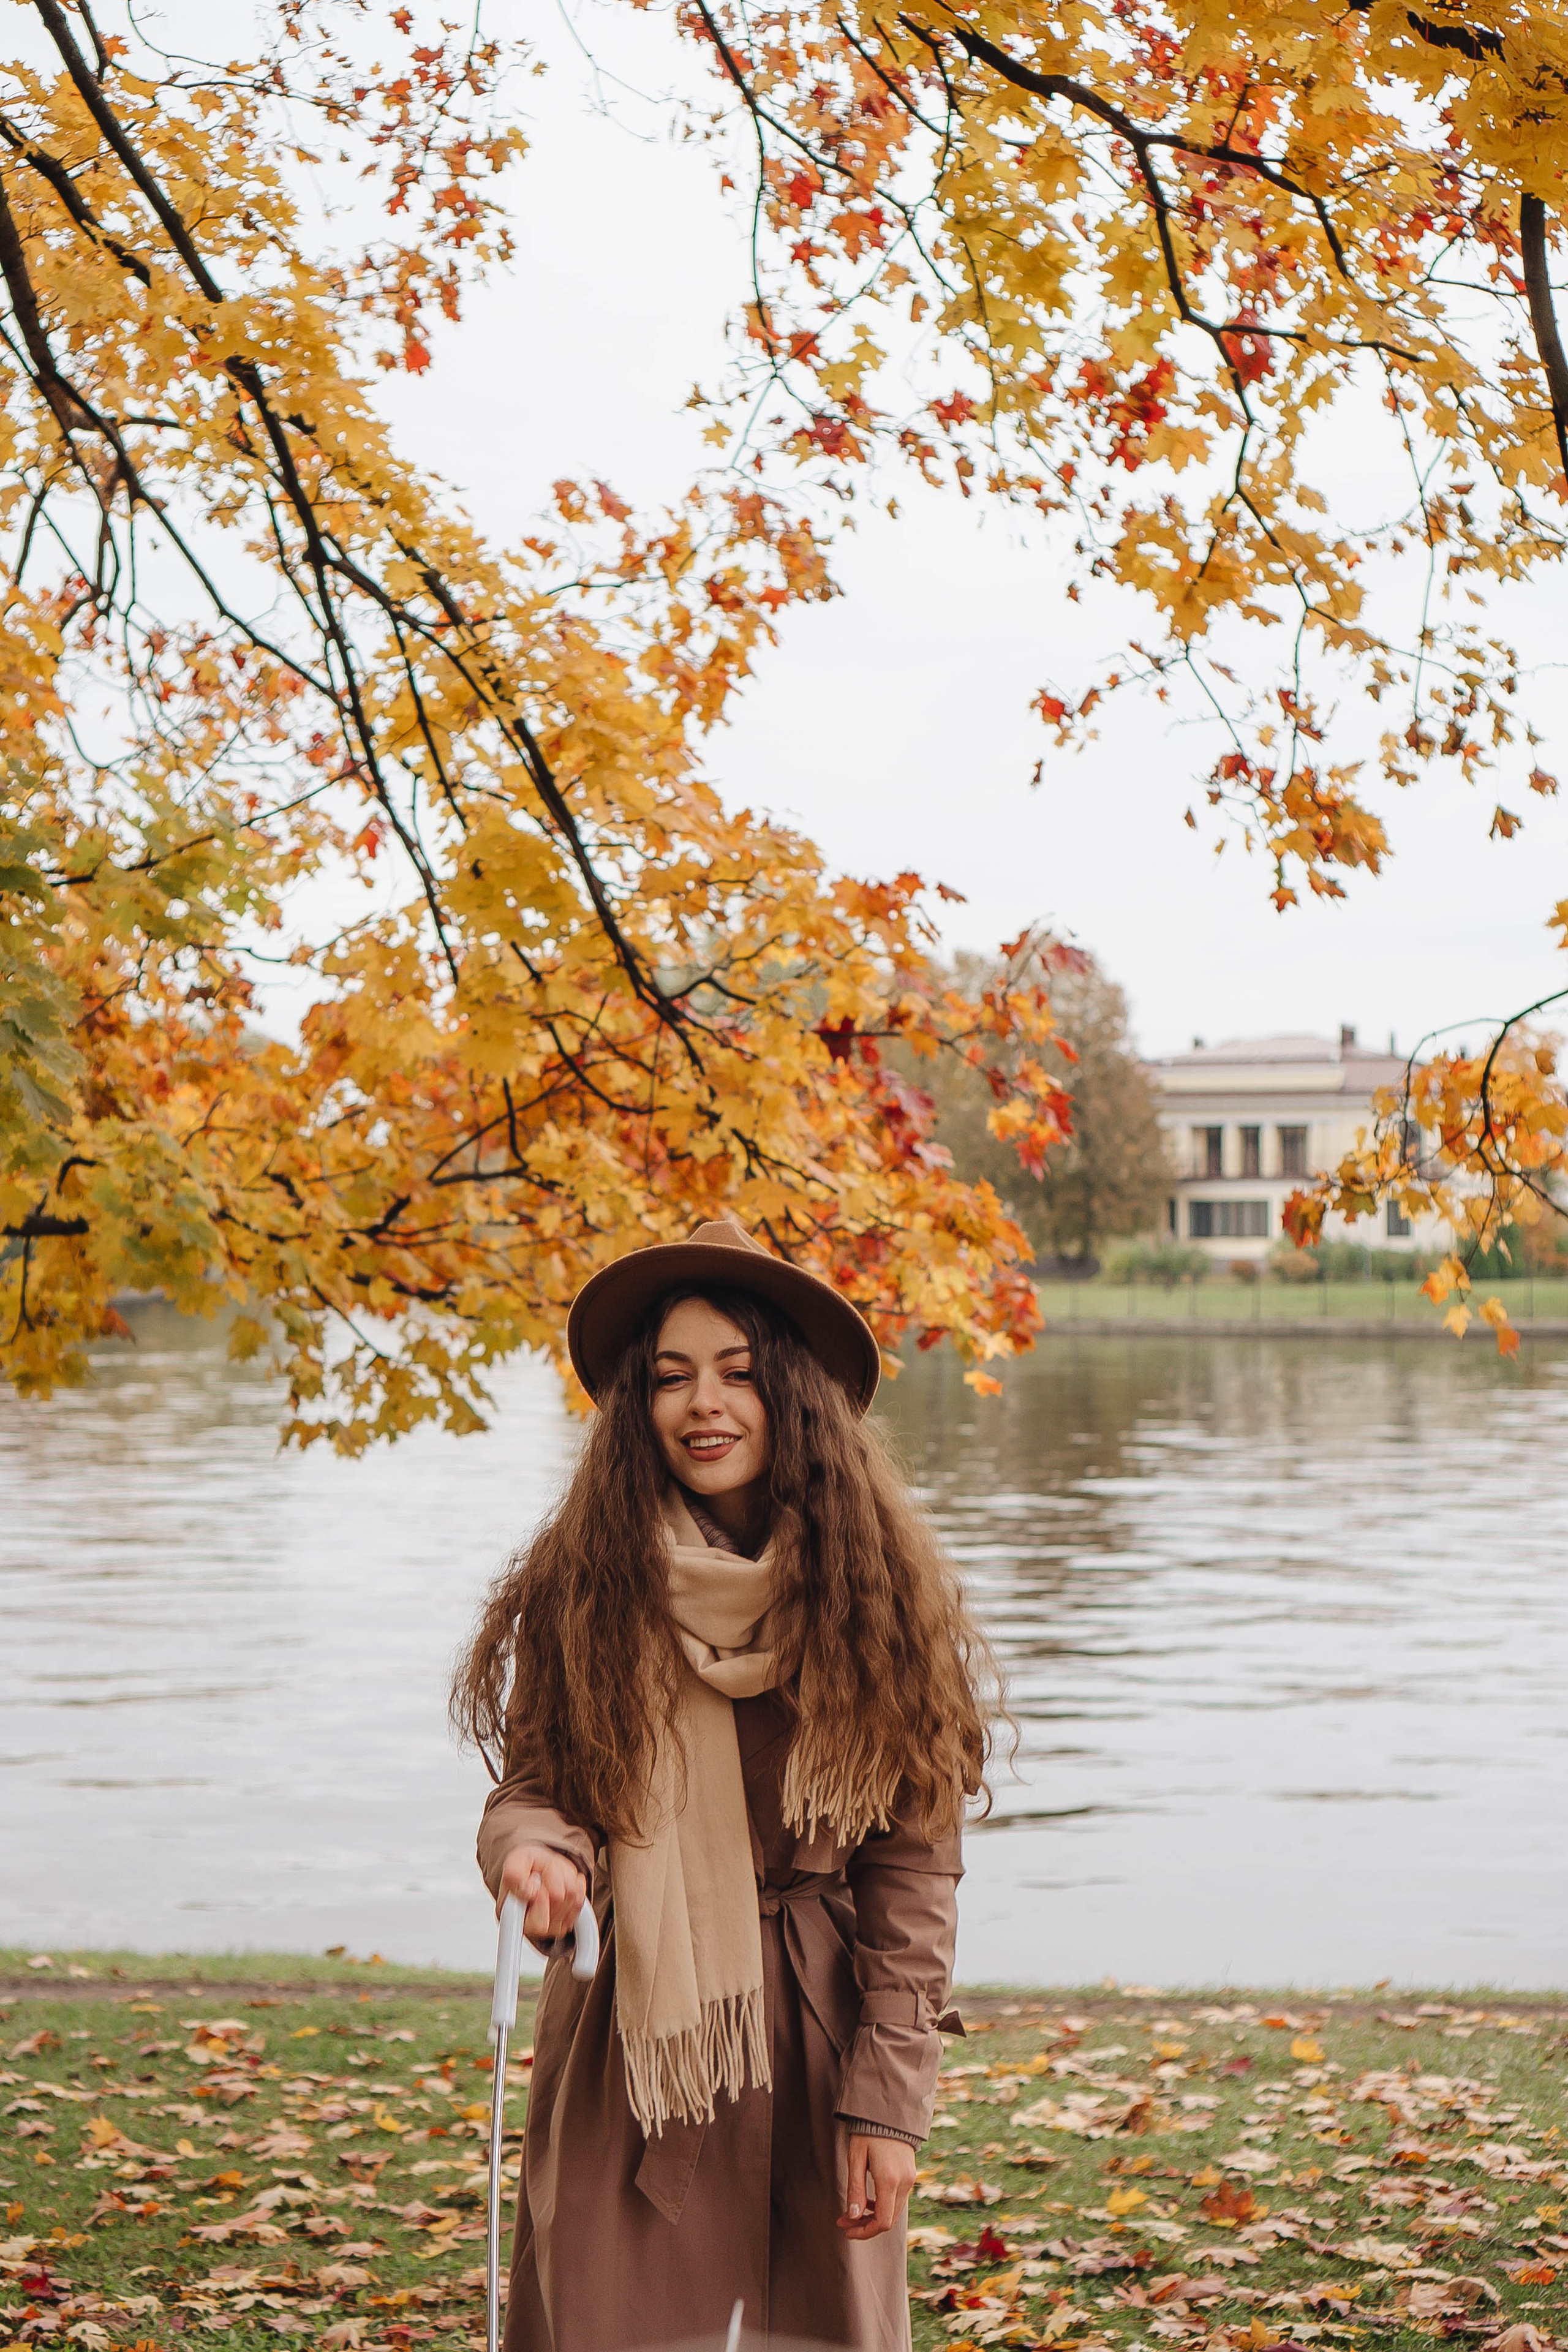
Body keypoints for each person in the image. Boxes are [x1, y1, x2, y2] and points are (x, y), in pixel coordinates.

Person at [450, 1215, 993, 2351]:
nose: (705, 1404)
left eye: (739, 1375)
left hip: (817, 2037)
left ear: (792, 1395)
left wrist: (888, 2100)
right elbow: (540, 1782)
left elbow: (914, 1869)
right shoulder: (587, 1583)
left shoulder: (879, 1594)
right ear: (637, 1408)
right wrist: (536, 1854)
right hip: (637, 2041)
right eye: (672, 1377)